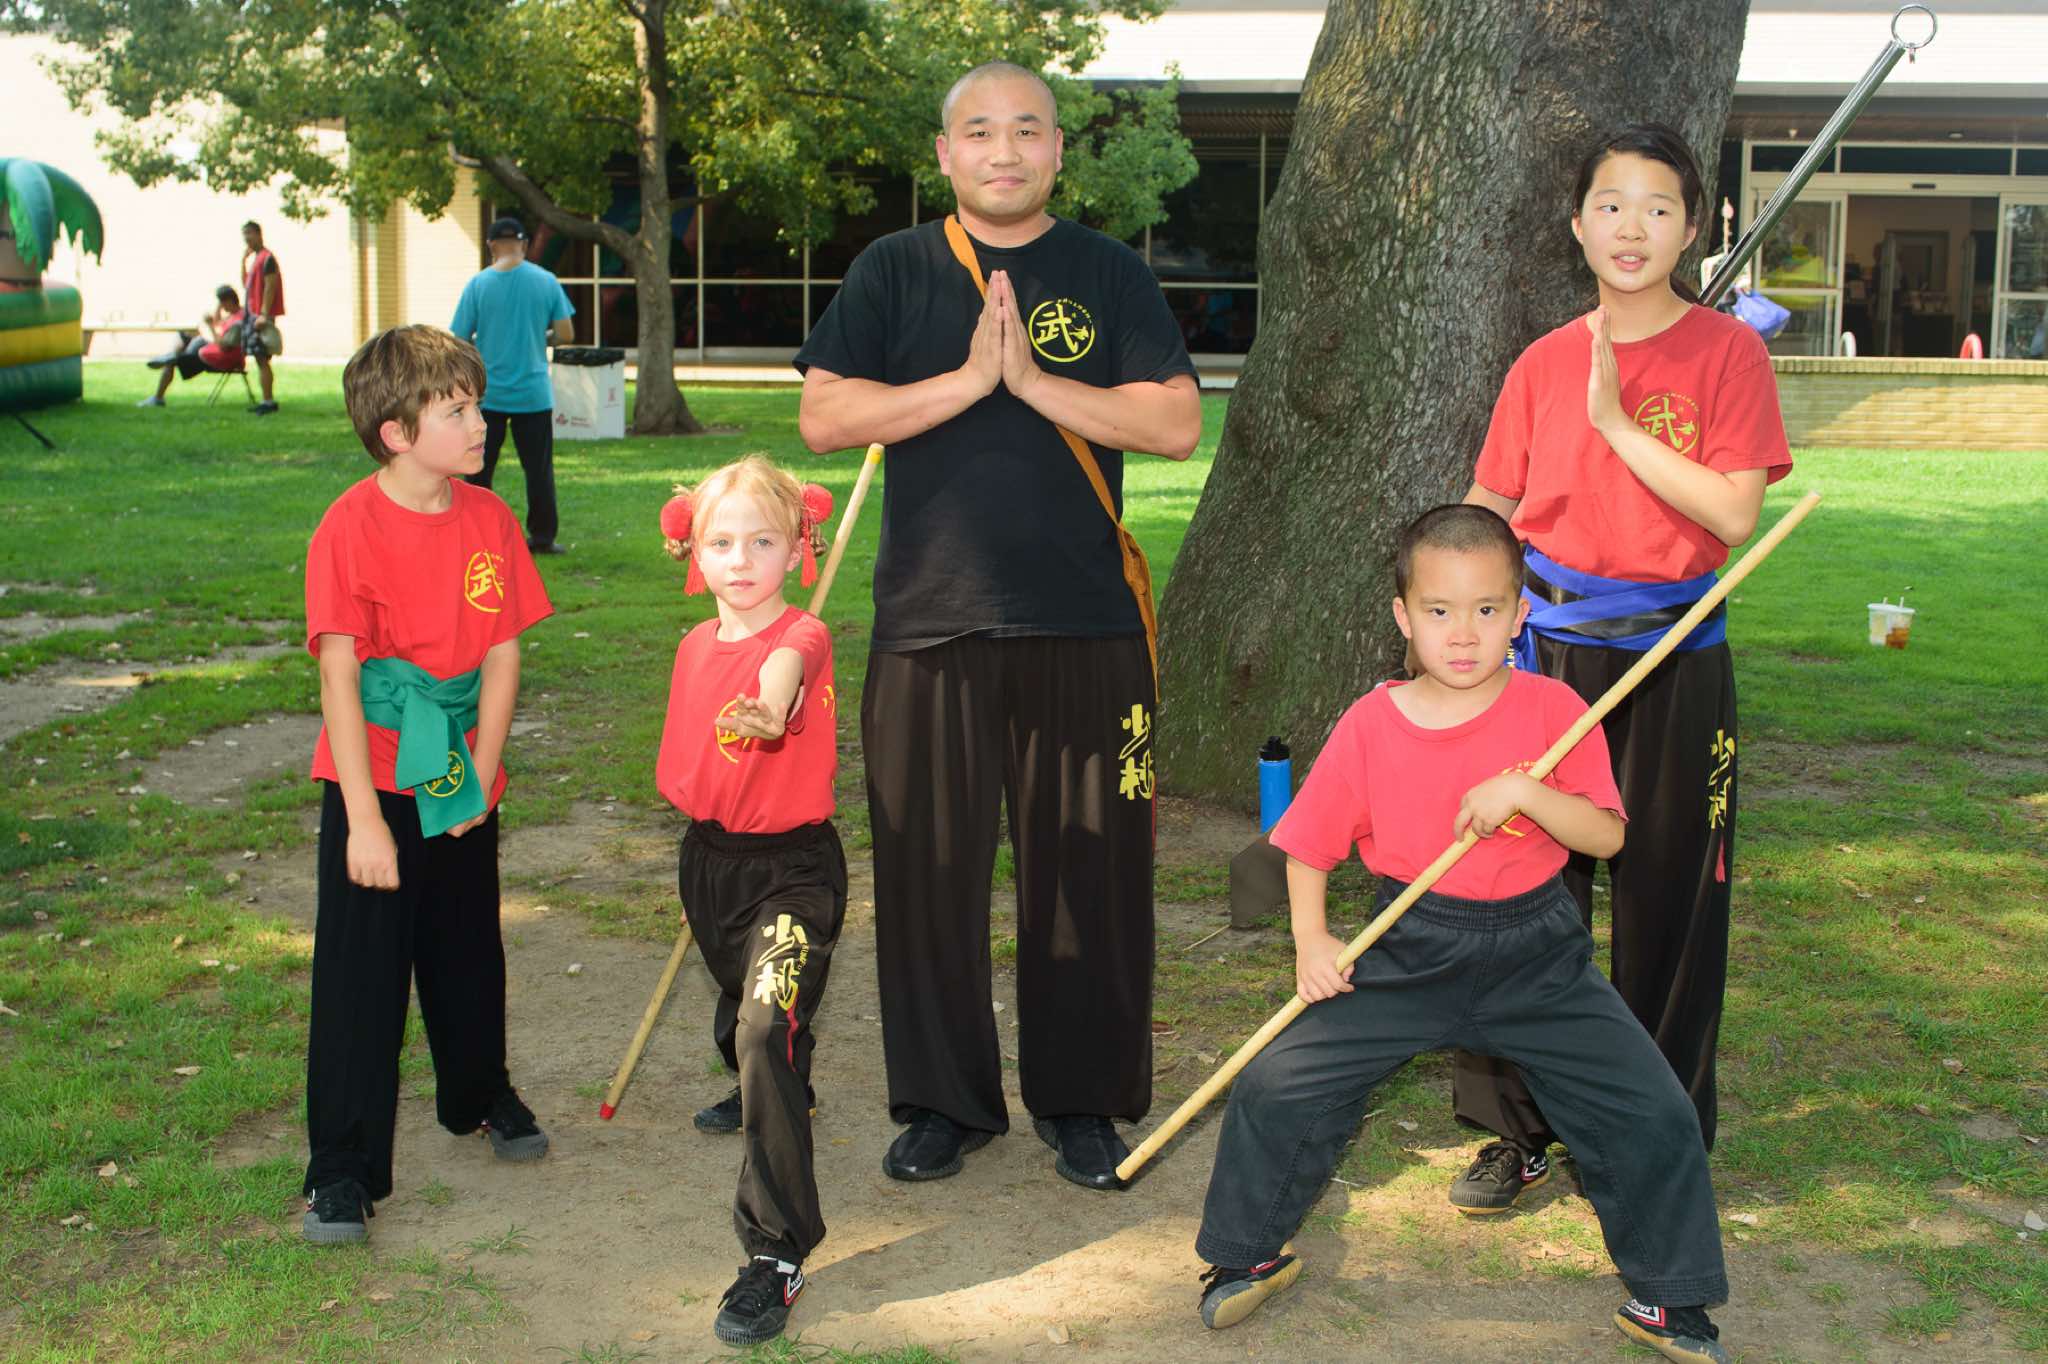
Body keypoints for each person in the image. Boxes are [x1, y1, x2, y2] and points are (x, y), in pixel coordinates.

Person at [1192, 504, 1732, 1364]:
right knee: (1278, 1084)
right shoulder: (1371, 724)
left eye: (1487, 609)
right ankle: (1245, 1255)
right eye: (1439, 610)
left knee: (1649, 1106)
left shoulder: (1556, 708)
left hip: (1537, 953)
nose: (1464, 633)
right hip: (1406, 944)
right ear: (1403, 616)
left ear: (1521, 613)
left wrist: (1526, 794)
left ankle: (1670, 1296)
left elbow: (1605, 837)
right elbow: (1308, 845)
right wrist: (1312, 942)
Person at [794, 60, 1201, 1189]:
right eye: (979, 131)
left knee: (1090, 876)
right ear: (946, 154)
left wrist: (1030, 383)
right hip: (930, 624)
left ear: (1058, 149)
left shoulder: (1106, 271)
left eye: (1027, 129)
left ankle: (1082, 1099)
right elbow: (824, 414)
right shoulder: (895, 269)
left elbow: (1174, 422)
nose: (1004, 151)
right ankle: (943, 1101)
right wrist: (968, 384)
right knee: (927, 876)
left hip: (1086, 623)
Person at [1451, 124, 1791, 1216]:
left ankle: (1656, 1130)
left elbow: (1731, 513)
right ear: (1578, 224)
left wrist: (1614, 422)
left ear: (1691, 229)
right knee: (1520, 889)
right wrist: (1461, 624)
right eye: (1609, 204)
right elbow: (1492, 507)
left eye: (1656, 207)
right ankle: (1517, 1130)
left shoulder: (1727, 355)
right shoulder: (1543, 360)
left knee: (1670, 897)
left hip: (1674, 655)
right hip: (1549, 656)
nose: (1630, 226)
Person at [299, 324, 554, 1246]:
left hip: (458, 770)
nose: (480, 424)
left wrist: (480, 774)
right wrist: (365, 820)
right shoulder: (348, 528)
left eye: (476, 406)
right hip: (374, 777)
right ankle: (342, 1168)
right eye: (457, 411)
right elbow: (339, 677)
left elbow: (503, 653)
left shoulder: (490, 519)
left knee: (466, 946)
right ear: (396, 434)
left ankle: (479, 1093)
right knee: (362, 975)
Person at [654, 455, 846, 1347]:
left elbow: (783, 676)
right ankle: (765, 1085)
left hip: (793, 871)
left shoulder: (803, 635)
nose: (741, 560)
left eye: (763, 542)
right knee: (747, 1018)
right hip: (710, 862)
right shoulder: (693, 647)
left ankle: (776, 1250)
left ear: (797, 549)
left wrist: (771, 711)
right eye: (722, 543)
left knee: (767, 1025)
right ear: (694, 552)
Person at [453, 217, 576, 555]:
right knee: (538, 471)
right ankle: (543, 537)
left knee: (478, 469)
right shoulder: (546, 281)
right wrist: (540, 337)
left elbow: (459, 338)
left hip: (487, 395)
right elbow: (566, 333)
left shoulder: (478, 284)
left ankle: (477, 534)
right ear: (523, 244)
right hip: (533, 394)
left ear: (491, 245)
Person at [137, 285, 245, 407]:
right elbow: (217, 323)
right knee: (183, 335)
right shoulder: (233, 315)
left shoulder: (238, 321)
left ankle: (158, 396)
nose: (222, 307)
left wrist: (210, 326)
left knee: (171, 362)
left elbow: (223, 347)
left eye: (222, 303)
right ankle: (172, 355)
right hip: (212, 351)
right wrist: (217, 310)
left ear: (229, 301)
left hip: (219, 359)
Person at [240, 221, 284, 414]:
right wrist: (243, 261)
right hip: (252, 316)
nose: (246, 238)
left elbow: (270, 287)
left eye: (249, 233)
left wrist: (264, 315)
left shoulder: (267, 258)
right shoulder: (256, 260)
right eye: (244, 234)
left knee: (263, 358)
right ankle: (266, 399)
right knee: (259, 359)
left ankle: (269, 401)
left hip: (261, 317)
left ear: (259, 234)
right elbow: (246, 285)